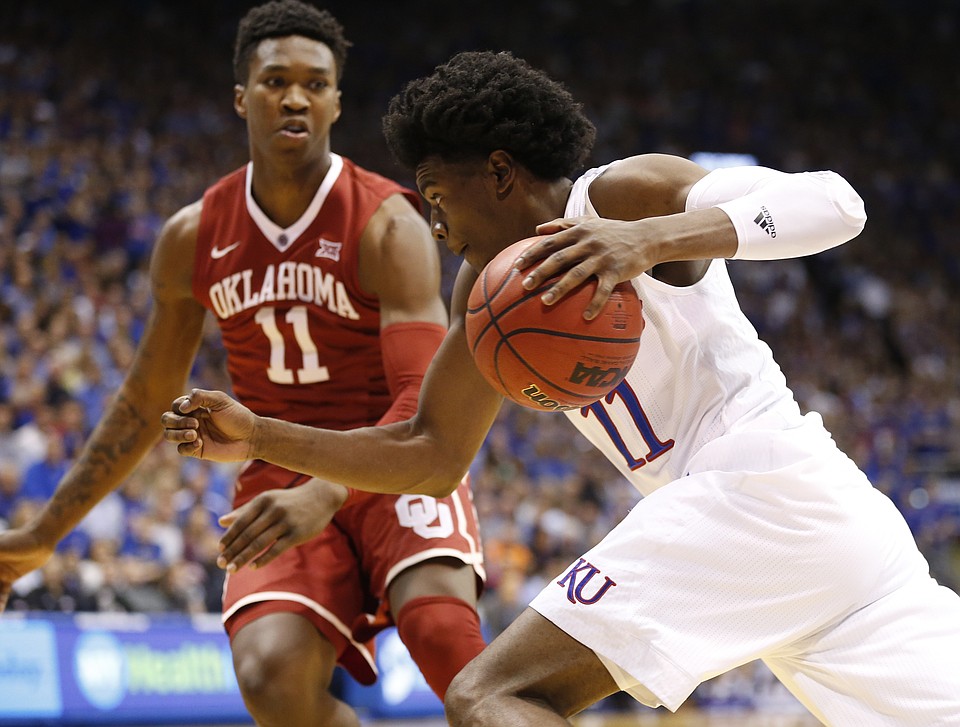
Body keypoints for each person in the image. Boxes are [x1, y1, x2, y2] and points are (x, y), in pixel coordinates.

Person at [159, 48, 960, 726]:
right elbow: (429, 452)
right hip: (821, 541)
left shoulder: (617, 195)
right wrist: (263, 435)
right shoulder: (488, 293)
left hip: (757, 485)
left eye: (439, 198)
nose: (436, 227)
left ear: (500, 172)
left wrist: (646, 240)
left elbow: (837, 202)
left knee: (491, 692)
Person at [0, 4, 489, 726]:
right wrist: (45, 532)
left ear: (336, 101)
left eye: (315, 84)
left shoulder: (390, 223)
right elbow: (144, 401)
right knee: (269, 677)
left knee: (445, 638)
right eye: (275, 80)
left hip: (393, 453)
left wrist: (328, 492)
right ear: (242, 97)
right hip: (279, 465)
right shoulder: (193, 234)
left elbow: (422, 399)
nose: (295, 97)